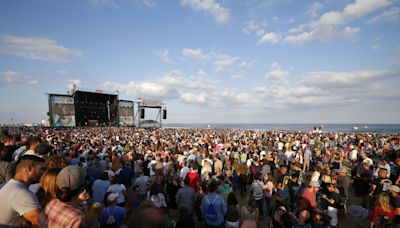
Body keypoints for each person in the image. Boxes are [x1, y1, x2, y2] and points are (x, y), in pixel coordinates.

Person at [0, 155, 44, 227]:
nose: (44, 172)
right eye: (41, 169)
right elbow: (40, 224)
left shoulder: (11, 186)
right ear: (29, 168)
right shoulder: (21, 193)